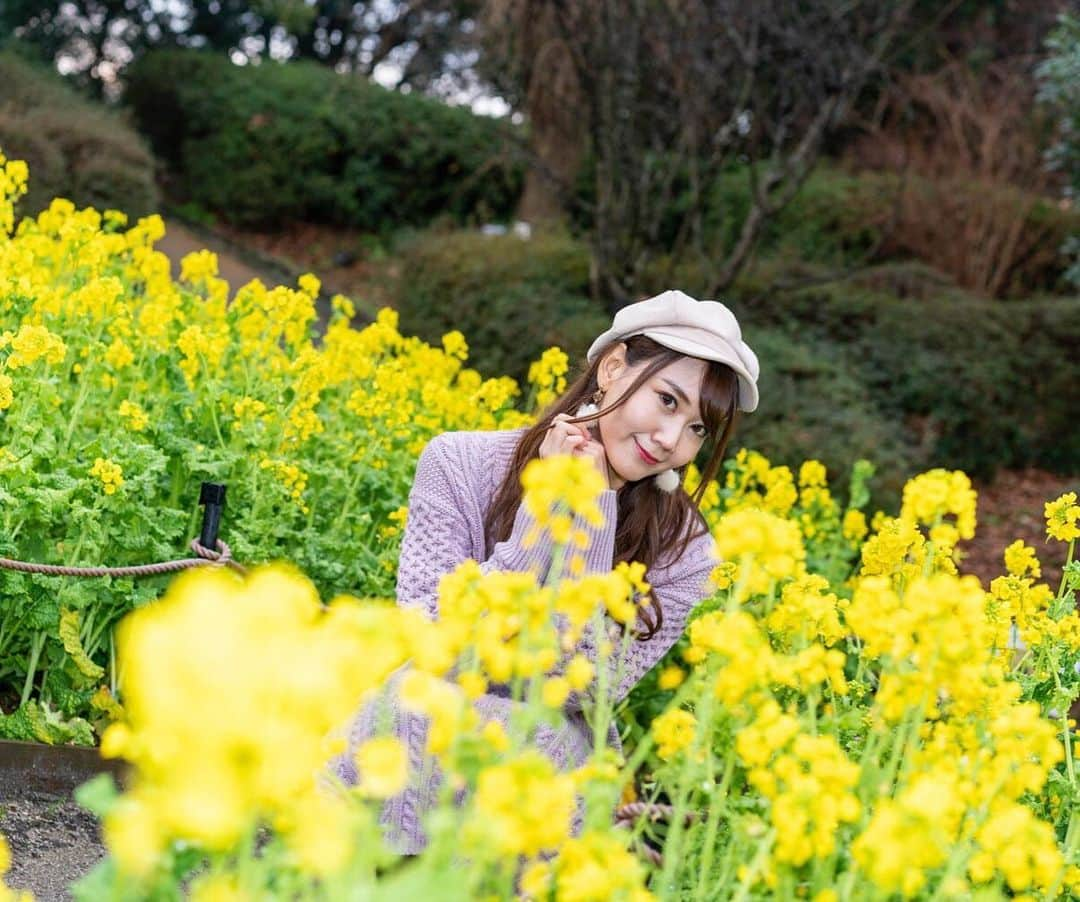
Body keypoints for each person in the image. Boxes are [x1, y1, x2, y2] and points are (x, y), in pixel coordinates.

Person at [334, 289, 760, 854]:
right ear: (612, 368)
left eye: (698, 428)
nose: (672, 440)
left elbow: (578, 683)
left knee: (530, 740)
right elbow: (434, 640)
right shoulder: (458, 464)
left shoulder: (687, 553)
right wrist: (541, 515)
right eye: (666, 400)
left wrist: (592, 510)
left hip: (549, 761)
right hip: (423, 727)